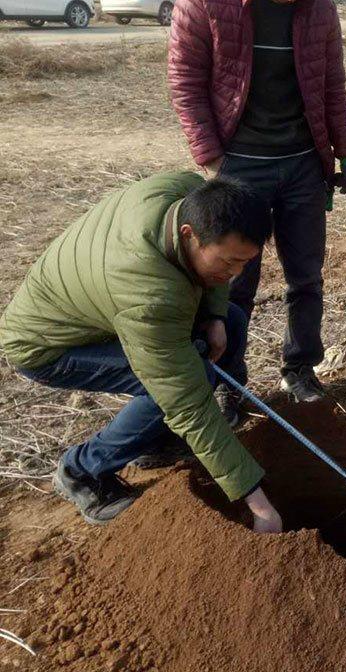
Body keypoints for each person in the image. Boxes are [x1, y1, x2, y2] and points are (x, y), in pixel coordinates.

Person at [0, 172, 283, 533]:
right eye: (228, 263)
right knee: (178, 385)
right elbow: (184, 398)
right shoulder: (148, 295)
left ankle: (158, 440)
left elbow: (213, 280)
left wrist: (214, 314)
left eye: (245, 262)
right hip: (46, 344)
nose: (235, 273)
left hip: (97, 307)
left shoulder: (189, 193)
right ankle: (82, 471)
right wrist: (259, 505)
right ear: (188, 234)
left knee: (232, 319)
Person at [168, 0, 346, 408]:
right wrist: (212, 159)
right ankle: (232, 386)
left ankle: (300, 370)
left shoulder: (319, 9)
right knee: (235, 282)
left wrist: (345, 152)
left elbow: (331, 87)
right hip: (240, 167)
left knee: (306, 275)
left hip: (302, 165)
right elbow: (186, 85)